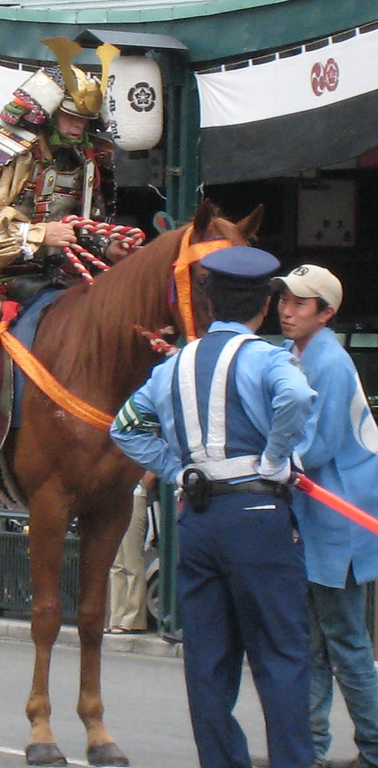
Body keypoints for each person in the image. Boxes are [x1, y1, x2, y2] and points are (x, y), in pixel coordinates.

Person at [109, 246, 317, 768]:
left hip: (199, 519)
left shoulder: (173, 365)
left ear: (207, 304)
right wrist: (274, 459)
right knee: (282, 656)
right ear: (264, 308)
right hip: (260, 517)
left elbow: (125, 427)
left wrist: (180, 470)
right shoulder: (269, 358)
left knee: (208, 664)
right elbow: (295, 398)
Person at [0, 38, 134, 472]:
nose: (77, 127)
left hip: (55, 271)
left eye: (85, 120)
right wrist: (39, 233)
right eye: (71, 117)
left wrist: (106, 245)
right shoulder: (9, 149)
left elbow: (81, 224)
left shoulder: (89, 158)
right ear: (51, 111)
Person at [274, 264, 378, 768]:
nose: (286, 309)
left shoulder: (330, 362)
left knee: (344, 642)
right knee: (317, 642)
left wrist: (263, 456)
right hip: (320, 517)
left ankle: (371, 749)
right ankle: (308, 751)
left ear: (326, 313)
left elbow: (313, 448)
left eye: (299, 302)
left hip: (339, 519)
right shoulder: (294, 354)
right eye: (284, 300)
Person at [107, 471, 154, 634]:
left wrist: (142, 487)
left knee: (132, 558)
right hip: (113, 495)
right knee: (116, 561)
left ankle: (133, 618)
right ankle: (117, 617)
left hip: (133, 494)